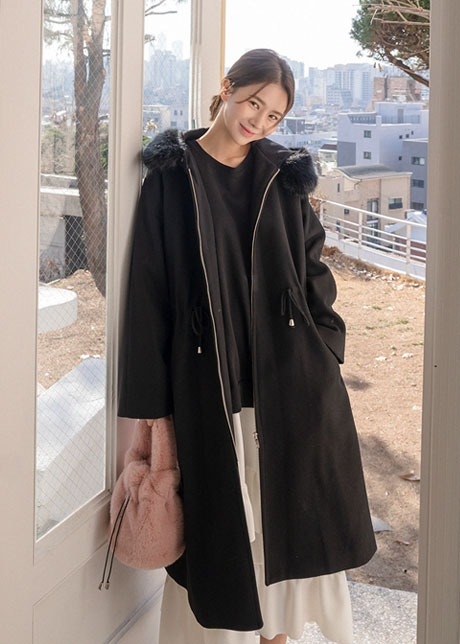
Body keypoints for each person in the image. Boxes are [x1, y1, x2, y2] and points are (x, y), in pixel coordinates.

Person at [118, 48, 376, 644]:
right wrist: (151, 403)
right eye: (253, 103)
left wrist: (326, 343)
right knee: (231, 517)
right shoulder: (172, 175)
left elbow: (313, 267)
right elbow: (148, 291)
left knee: (288, 510)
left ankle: (277, 634)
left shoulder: (283, 175)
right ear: (228, 87)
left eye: (273, 115)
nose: (258, 121)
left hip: (290, 372)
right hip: (209, 376)